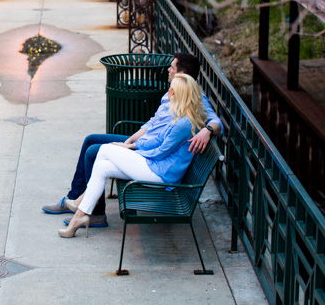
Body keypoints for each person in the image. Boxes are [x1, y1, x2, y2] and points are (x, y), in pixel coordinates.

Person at [42, 52, 222, 228]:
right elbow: (152, 124)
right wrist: (129, 141)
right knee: (91, 140)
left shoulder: (195, 97)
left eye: (171, 67)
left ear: (181, 74)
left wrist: (207, 130)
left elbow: (216, 122)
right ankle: (74, 198)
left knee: (94, 152)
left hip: (150, 153)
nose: (168, 69)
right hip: (146, 144)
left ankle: (95, 213)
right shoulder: (170, 93)